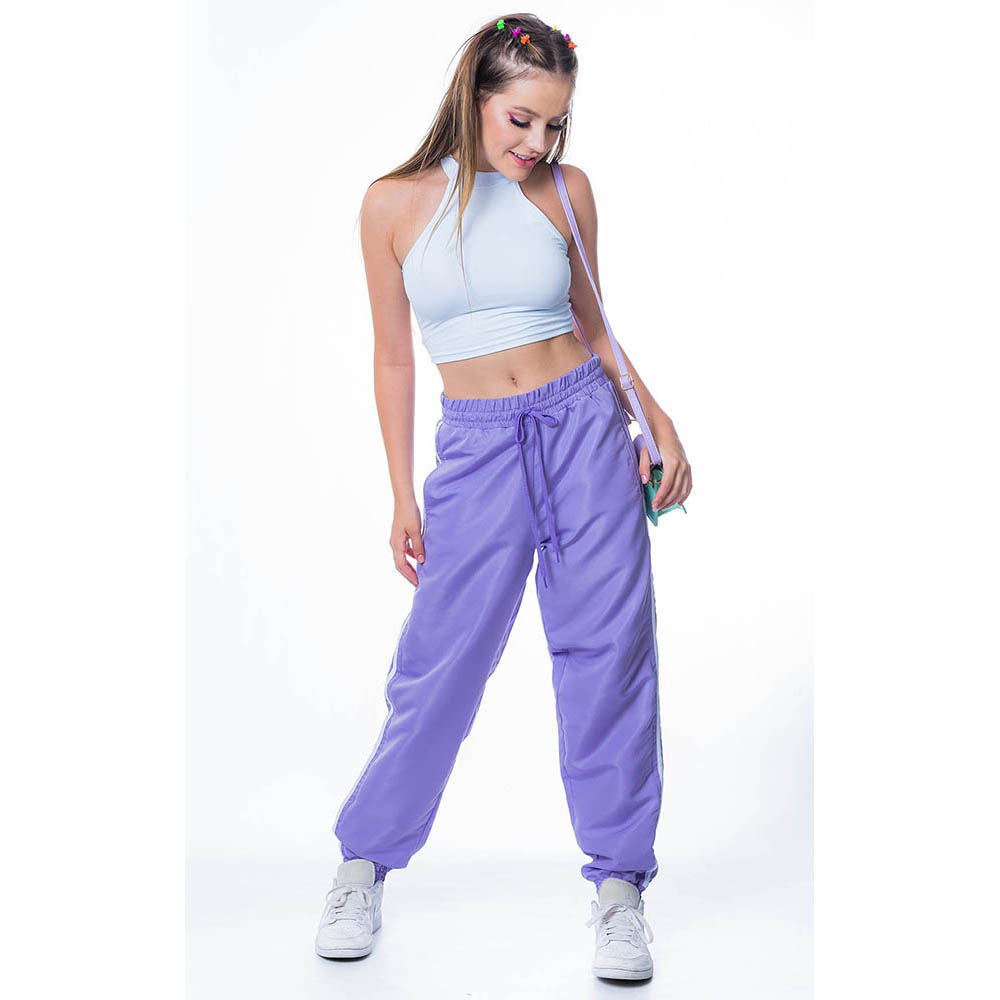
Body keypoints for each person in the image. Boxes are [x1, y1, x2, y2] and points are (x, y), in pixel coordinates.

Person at [314, 14, 692, 982]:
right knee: (439, 663)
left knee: (608, 658)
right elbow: (393, 355)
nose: (537, 142)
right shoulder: (392, 203)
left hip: (585, 428)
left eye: (555, 125)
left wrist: (655, 420)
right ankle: (362, 865)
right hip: (476, 448)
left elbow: (594, 322)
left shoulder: (566, 191)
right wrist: (401, 492)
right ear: (473, 96)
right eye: (521, 119)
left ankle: (620, 890)